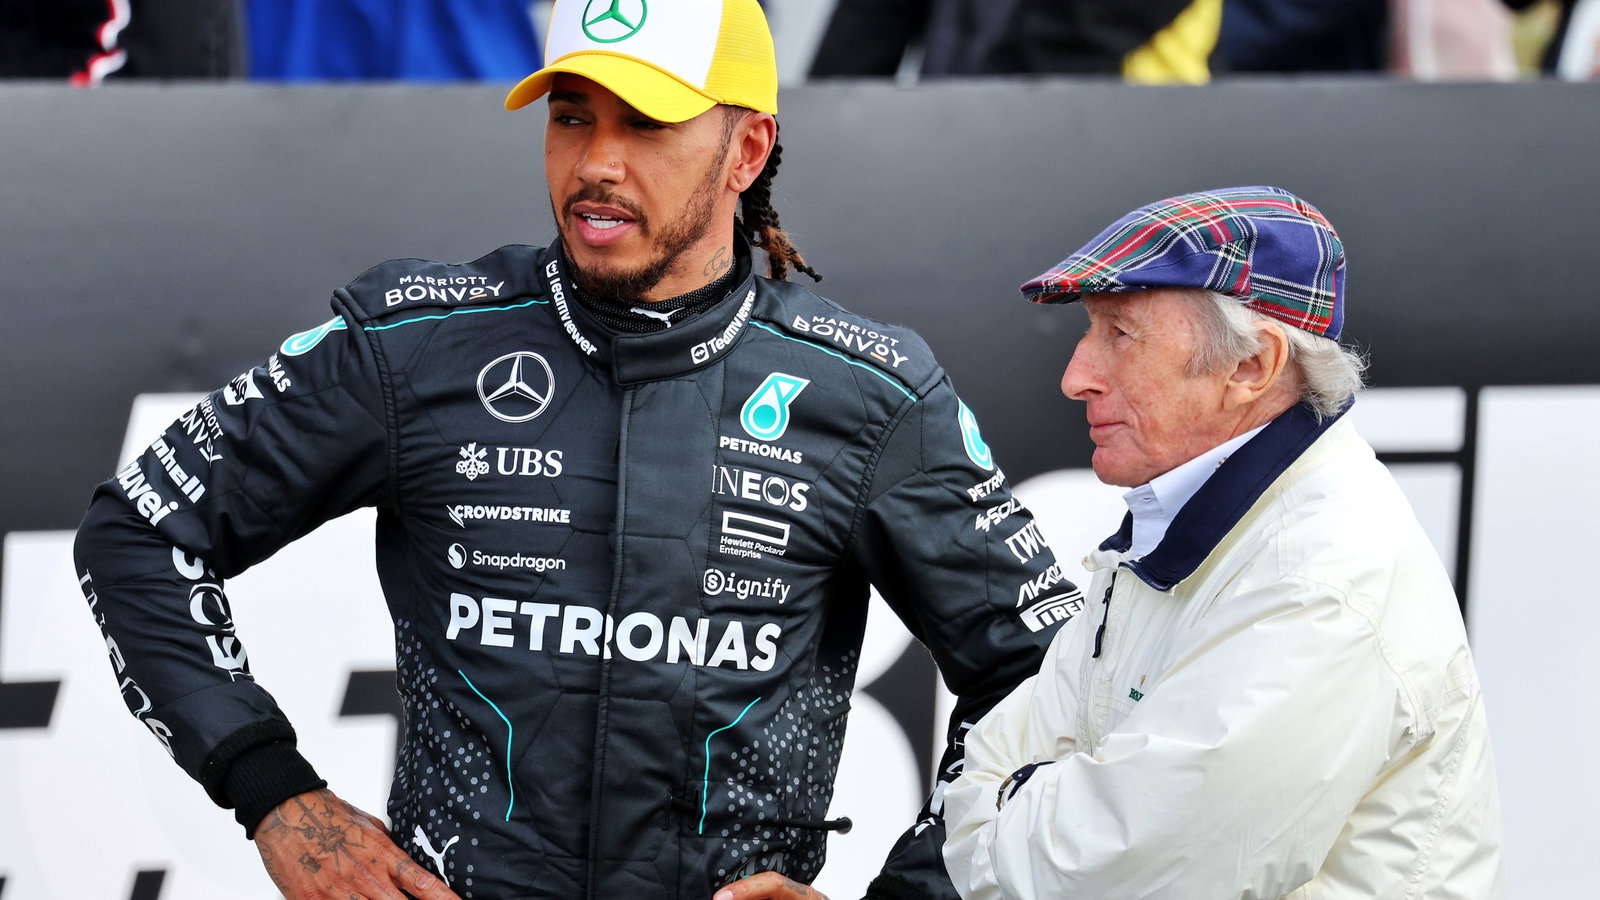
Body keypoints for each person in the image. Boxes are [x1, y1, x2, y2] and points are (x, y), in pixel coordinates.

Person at [71, 1, 1082, 898]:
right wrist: (275, 795)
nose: (597, 161)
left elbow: (1050, 676)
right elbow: (140, 530)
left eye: (645, 123)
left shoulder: (870, 395)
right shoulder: (413, 343)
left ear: (746, 151)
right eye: (571, 119)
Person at [940, 186, 1506, 898]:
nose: (1076, 377)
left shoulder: (1317, 582)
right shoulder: (1197, 527)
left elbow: (1100, 880)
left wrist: (1006, 808)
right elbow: (992, 774)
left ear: (1251, 367)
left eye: (1120, 333)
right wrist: (1022, 806)